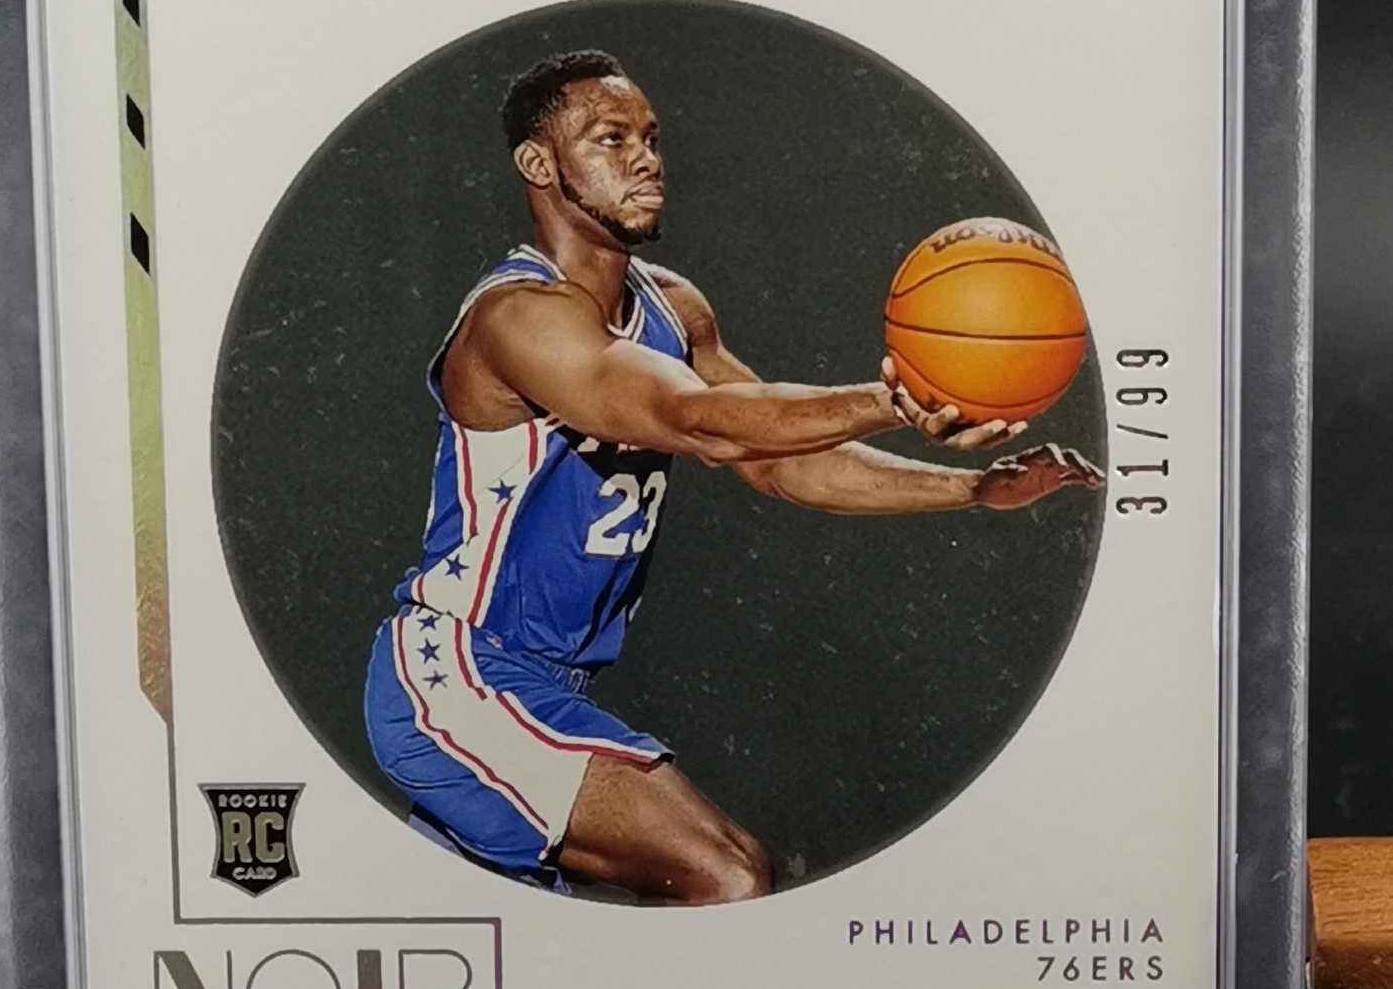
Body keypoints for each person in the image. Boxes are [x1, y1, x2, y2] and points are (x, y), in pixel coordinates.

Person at [364, 48, 1102, 902]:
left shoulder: (673, 308)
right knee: (726, 871)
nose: (646, 158)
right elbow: (696, 420)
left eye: (650, 137)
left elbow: (779, 461)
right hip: (458, 672)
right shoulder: (516, 317)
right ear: (539, 163)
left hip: (543, 687)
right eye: (610, 139)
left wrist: (970, 488)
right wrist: (897, 398)